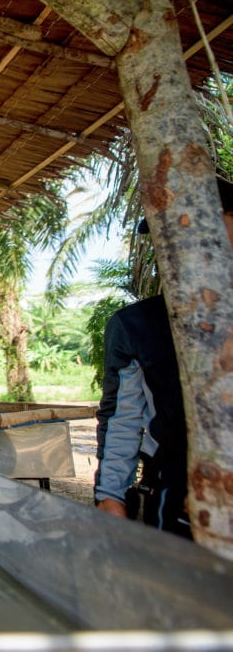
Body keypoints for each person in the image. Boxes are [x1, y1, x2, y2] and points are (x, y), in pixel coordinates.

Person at [94, 177, 233, 539]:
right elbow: (123, 420)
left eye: (215, 229)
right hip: (176, 498)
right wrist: (110, 496)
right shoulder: (138, 325)